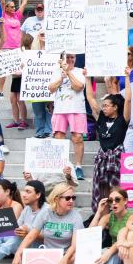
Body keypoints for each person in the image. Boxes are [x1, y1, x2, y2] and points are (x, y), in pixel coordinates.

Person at [11, 183, 83, 264]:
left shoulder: (76, 216)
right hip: (48, 253)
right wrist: (18, 253)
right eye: (67, 198)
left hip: (67, 254)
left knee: (76, 256)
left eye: (73, 198)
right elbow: (31, 235)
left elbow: (75, 245)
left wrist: (65, 259)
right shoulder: (46, 212)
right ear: (56, 198)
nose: (71, 201)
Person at [86, 78, 126, 205]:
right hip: (102, 158)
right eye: (102, 105)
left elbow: (128, 100)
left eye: (106, 105)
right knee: (101, 190)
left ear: (115, 107)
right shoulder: (101, 118)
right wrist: (87, 78)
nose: (103, 108)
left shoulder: (123, 119)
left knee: (116, 190)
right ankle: (101, 215)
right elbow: (90, 98)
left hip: (117, 158)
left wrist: (128, 78)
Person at [48, 53, 86, 181]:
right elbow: (51, 89)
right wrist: (61, 77)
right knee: (59, 137)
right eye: (67, 57)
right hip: (59, 110)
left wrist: (68, 73)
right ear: (62, 59)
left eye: (72, 57)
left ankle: (78, 166)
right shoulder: (55, 71)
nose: (70, 60)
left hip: (76, 109)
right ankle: (62, 166)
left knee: (78, 137)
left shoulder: (80, 71)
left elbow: (79, 87)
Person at [0, 0, 29, 97]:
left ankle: (19, 91)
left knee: (19, 72)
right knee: (4, 71)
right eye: (11, 6)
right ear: (5, 8)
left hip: (18, 48)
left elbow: (24, 3)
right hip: (6, 47)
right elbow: (1, 1)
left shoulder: (17, 15)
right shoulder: (3, 15)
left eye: (14, 6)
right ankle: (0, 91)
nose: (14, 8)